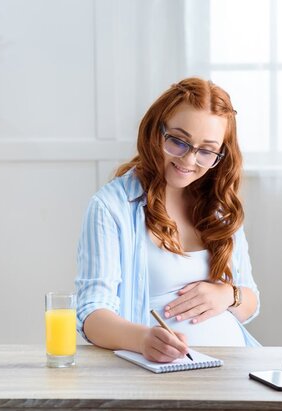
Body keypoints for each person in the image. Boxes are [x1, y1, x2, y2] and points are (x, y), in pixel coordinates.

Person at [75, 77, 260, 363]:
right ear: (155, 132)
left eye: (206, 151)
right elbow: (91, 314)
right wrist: (142, 340)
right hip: (160, 374)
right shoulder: (112, 207)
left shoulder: (219, 208)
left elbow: (250, 303)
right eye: (178, 141)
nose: (189, 160)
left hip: (235, 367)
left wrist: (228, 295)